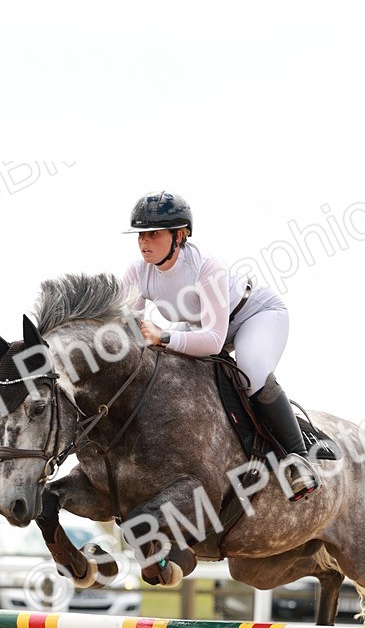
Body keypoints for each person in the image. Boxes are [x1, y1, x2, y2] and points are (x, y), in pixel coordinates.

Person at [122, 190, 320, 501]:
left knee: (252, 369)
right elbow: (129, 330)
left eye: (153, 234)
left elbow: (214, 342)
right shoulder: (137, 272)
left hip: (252, 315)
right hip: (201, 325)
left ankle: (299, 460)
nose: (144, 242)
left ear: (180, 235)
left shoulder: (206, 267)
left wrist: (165, 337)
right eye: (140, 235)